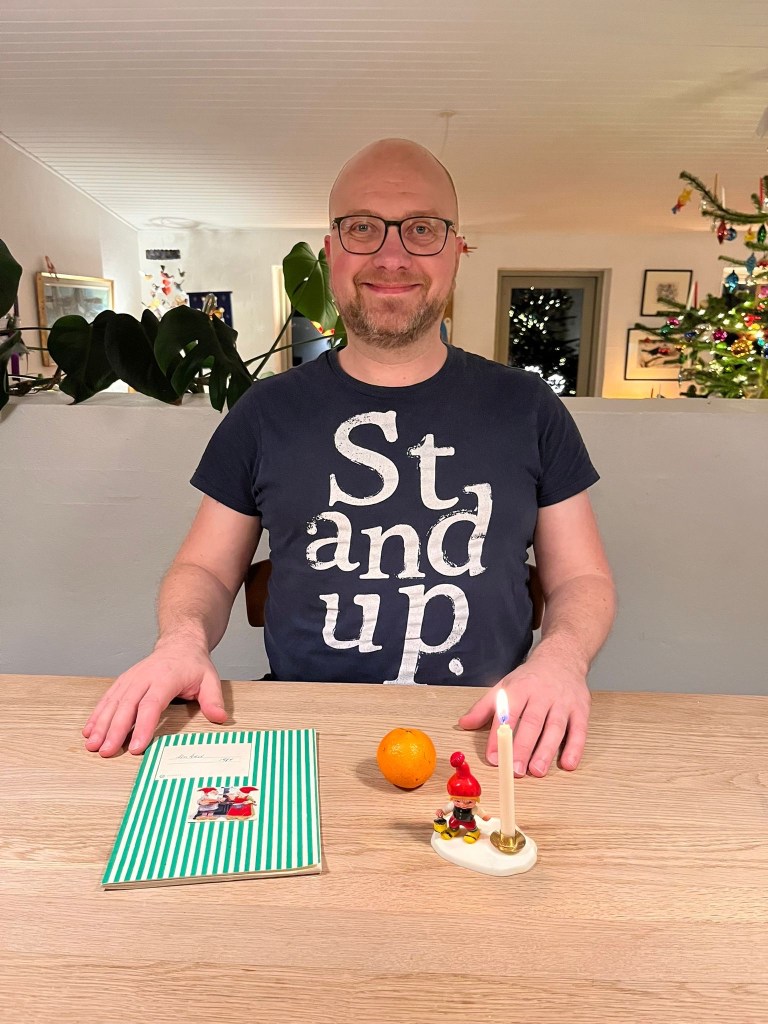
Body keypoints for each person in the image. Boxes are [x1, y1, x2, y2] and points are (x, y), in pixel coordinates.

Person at [83, 138, 616, 777]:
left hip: (492, 737)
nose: (391, 256)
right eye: (363, 227)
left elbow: (581, 578)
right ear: (331, 251)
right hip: (299, 739)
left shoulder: (529, 407)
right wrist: (181, 641)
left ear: (457, 250)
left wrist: (560, 659)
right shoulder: (264, 411)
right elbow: (205, 569)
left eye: (422, 229)